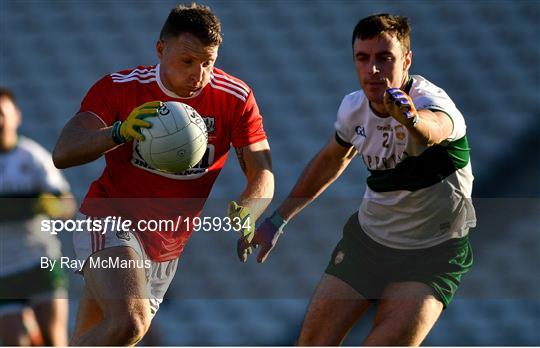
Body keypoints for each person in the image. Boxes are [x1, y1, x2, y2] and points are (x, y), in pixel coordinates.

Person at [53, 3, 274, 346]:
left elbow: (262, 171)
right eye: (187, 61)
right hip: (110, 219)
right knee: (130, 324)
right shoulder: (121, 87)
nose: (198, 74)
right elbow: (64, 152)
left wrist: (251, 208)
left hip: (167, 245)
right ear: (161, 49)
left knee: (106, 337)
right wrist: (120, 131)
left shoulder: (235, 98)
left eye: (208, 63)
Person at [249, 14, 476, 346]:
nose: (373, 69)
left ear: (407, 60)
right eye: (363, 58)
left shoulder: (432, 102)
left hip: (432, 256)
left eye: (384, 58)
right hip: (368, 245)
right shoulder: (353, 109)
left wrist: (410, 119)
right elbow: (331, 160)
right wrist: (278, 219)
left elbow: (433, 130)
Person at [0, 87, 76, 346]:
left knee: (54, 340)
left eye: (2, 113)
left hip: (39, 261)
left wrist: (51, 206)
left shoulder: (32, 157)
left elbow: (67, 205)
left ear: (16, 116)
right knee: (13, 342)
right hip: (3, 269)